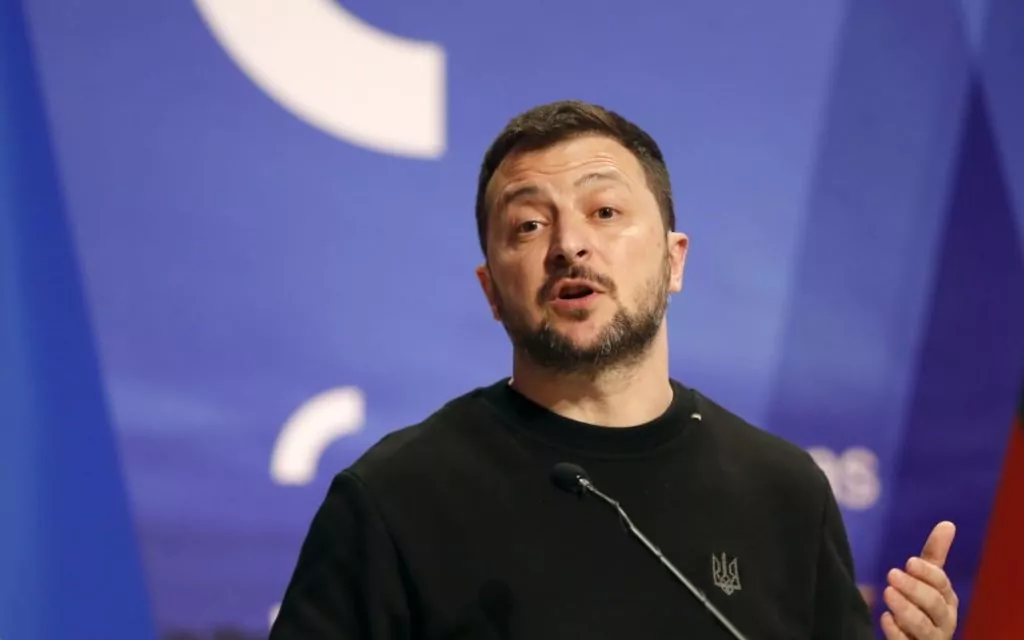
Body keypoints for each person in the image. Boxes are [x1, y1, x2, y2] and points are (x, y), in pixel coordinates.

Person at [268, 100, 959, 639]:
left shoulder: (785, 492)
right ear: (491, 290)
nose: (570, 244)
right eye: (529, 225)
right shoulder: (393, 501)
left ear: (674, 260)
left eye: (604, 211)